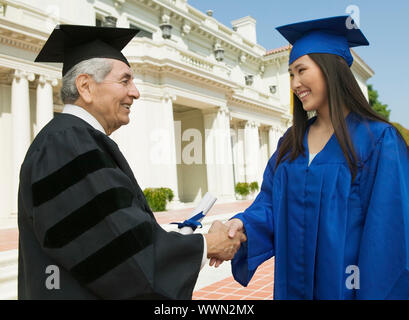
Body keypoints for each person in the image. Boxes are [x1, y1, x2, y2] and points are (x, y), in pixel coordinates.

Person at [18, 24, 246, 300]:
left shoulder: (73, 140)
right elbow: (119, 255)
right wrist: (206, 244)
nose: (136, 92)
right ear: (86, 87)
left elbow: (107, 234)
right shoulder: (68, 144)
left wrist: (177, 237)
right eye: (125, 81)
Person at [211, 16, 409, 299]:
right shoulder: (290, 144)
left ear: (331, 69)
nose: (294, 83)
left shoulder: (378, 141)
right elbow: (269, 204)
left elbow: (387, 238)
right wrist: (241, 225)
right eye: (291, 74)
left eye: (301, 70)